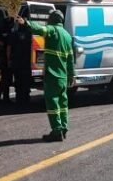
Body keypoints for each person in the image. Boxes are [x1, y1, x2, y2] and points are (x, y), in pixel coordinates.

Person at [15, 10, 75, 142]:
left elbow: (40, 29)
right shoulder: (67, 36)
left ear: (52, 19)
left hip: (52, 75)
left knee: (53, 104)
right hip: (63, 77)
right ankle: (64, 129)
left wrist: (26, 23)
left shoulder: (53, 30)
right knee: (63, 104)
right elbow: (71, 59)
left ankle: (56, 131)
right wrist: (72, 75)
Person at [9, 15, 33, 104]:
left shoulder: (14, 34)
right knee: (25, 80)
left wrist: (9, 60)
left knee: (18, 81)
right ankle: (26, 98)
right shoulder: (29, 33)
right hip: (26, 61)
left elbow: (9, 47)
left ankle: (19, 98)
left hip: (17, 60)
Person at [0, 17, 14, 104]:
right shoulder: (9, 35)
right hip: (5, 59)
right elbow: (8, 48)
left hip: (0, 59)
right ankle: (4, 98)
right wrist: (9, 60)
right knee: (6, 79)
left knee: (4, 78)